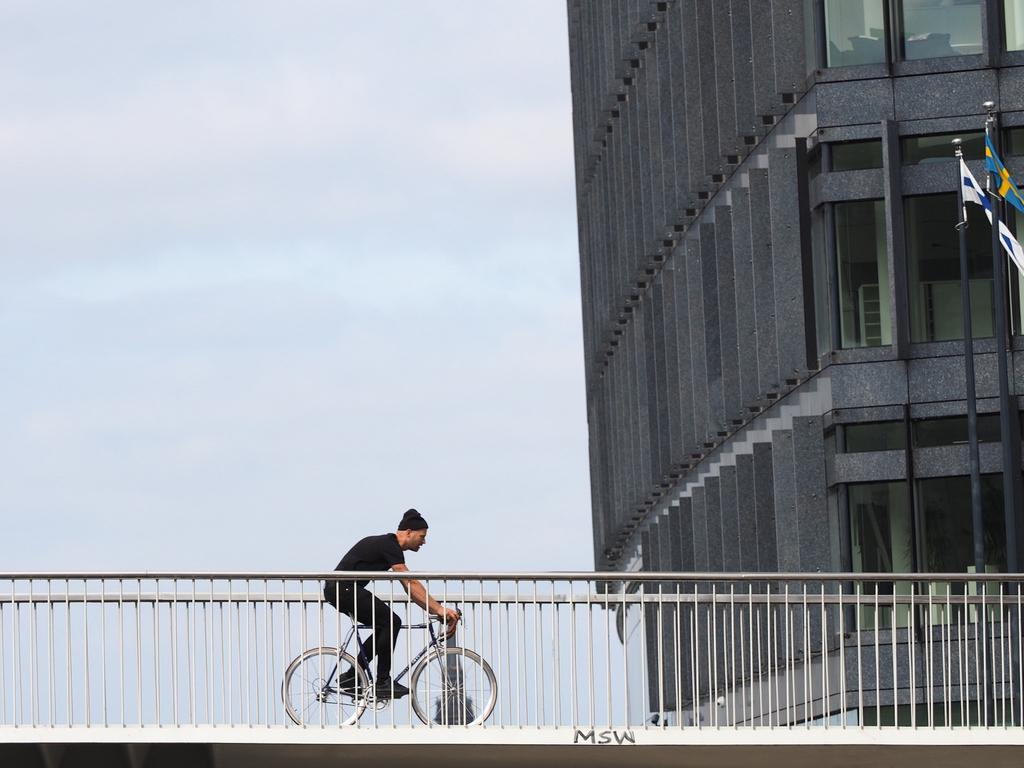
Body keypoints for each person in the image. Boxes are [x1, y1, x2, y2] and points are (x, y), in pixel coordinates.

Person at [324, 509, 460, 699]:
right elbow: (410, 582)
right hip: (342, 589)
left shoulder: (388, 547)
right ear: (409, 532)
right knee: (391, 621)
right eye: (422, 536)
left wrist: (435, 608)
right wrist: (438, 608)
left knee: (384, 625)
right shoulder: (389, 544)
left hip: (340, 589)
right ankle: (382, 682)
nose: (424, 542)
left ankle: (352, 677)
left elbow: (409, 587)